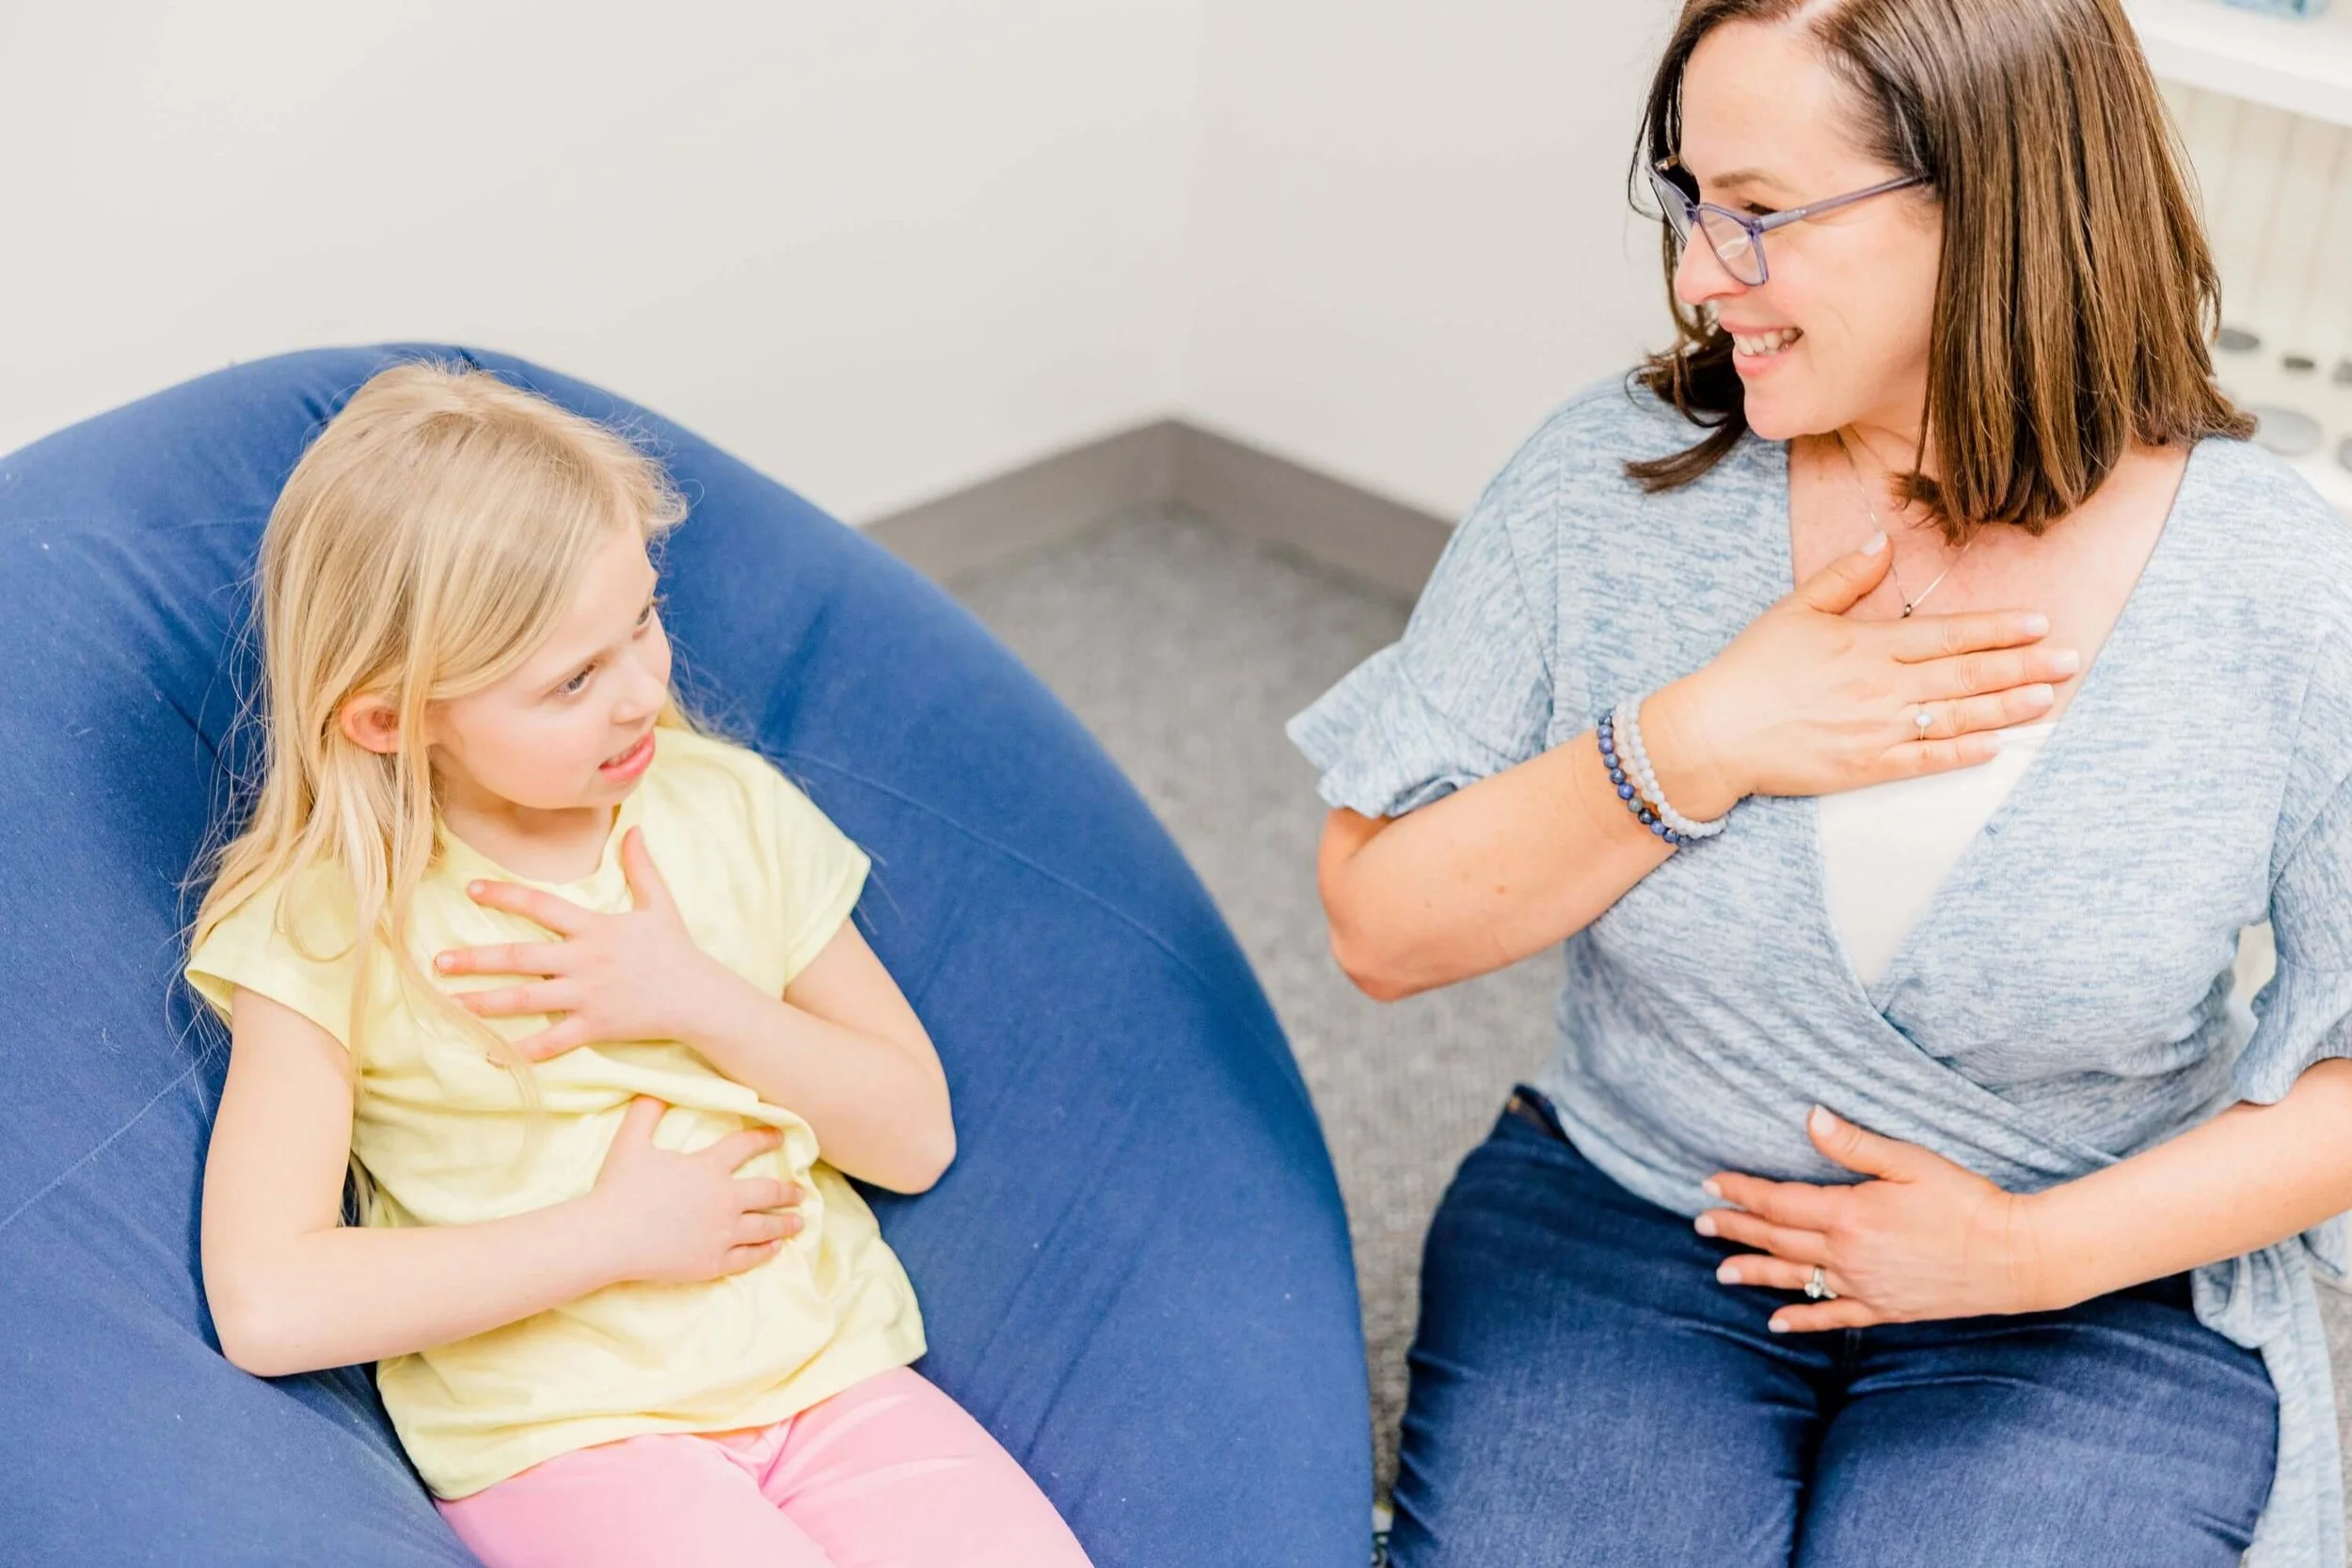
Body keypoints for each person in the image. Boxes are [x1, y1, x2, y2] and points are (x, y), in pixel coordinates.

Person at [1291, 2, 2352, 1563]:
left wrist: (2023, 1251)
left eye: (1763, 215)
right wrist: (1693, 742)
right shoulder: (1610, 484)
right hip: (1644, 1208)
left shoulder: (2278, 582)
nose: (1698, 273)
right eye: (1688, 200)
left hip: (2084, 1280)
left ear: (1991, 202)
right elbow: (1379, 925)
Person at [183, 363, 1093, 1568]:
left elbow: (912, 1131)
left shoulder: (724, 808)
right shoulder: (334, 918)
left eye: (645, 622)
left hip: (832, 1380)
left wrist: (692, 995)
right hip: (567, 1432)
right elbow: (270, 1300)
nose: (643, 694)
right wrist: (614, 1234)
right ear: (390, 718)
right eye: (573, 679)